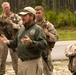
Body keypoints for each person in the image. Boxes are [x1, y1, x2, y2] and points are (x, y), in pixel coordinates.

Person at [0, 6, 48, 75]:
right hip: (21, 63)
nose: (22, 17)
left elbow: (44, 45)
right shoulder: (21, 29)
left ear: (32, 16)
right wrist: (8, 42)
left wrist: (31, 42)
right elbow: (15, 42)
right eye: (22, 15)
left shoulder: (38, 29)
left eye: (25, 15)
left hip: (32, 64)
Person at [35, 6, 58, 75]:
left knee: (48, 71)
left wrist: (48, 34)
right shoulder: (32, 25)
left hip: (45, 52)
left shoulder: (48, 25)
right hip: (35, 53)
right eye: (36, 13)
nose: (37, 15)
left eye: (39, 13)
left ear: (43, 13)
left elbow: (56, 37)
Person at [0, 2, 22, 75]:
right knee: (2, 59)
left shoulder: (16, 17)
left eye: (7, 7)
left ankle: (17, 72)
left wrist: (12, 24)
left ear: (10, 7)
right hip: (3, 40)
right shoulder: (1, 18)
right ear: (2, 9)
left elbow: (21, 27)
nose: (6, 9)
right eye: (4, 8)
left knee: (15, 59)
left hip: (14, 40)